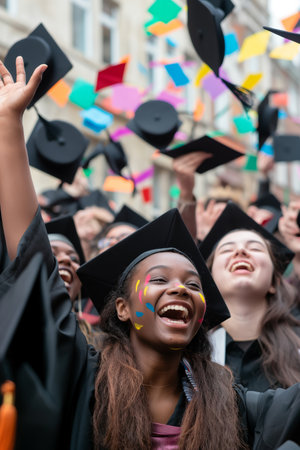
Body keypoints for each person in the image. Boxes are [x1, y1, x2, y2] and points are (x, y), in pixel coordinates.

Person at [1, 57, 300, 450]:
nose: (181, 290)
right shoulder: (86, 378)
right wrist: (8, 125)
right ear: (122, 308)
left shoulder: (232, 402)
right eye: (160, 280)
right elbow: (36, 264)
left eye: (193, 285)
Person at [200, 202, 300, 391]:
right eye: (227, 249)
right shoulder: (190, 356)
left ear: (274, 282)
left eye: (255, 248)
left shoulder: (297, 346)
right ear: (210, 280)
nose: (240, 251)